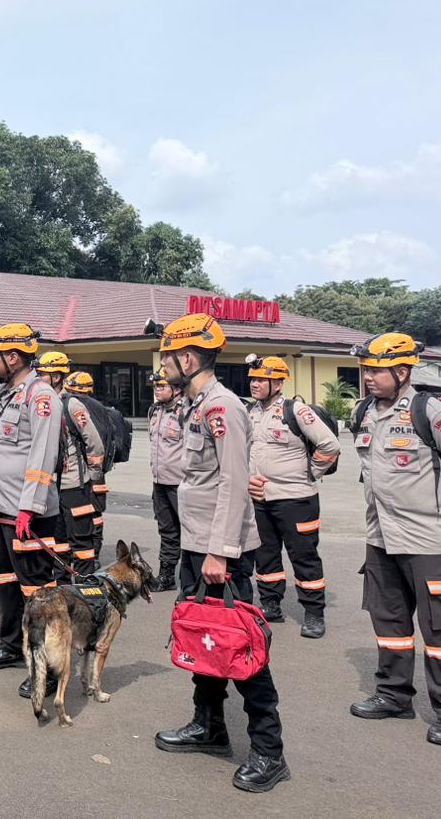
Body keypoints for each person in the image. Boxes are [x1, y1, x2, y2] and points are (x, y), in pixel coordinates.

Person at [150, 314, 289, 793]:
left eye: (168, 357)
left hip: (218, 550)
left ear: (188, 359)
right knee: (202, 638)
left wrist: (220, 552)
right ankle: (208, 726)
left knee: (239, 644)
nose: (163, 366)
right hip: (198, 544)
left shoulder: (221, 406)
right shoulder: (195, 404)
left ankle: (269, 751)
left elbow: (232, 482)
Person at [347, 333, 441, 747]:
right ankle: (393, 695)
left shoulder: (431, 411)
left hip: (429, 541)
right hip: (381, 537)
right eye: (365, 370)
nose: (368, 377)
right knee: (389, 623)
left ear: (402, 372)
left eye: (376, 371)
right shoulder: (363, 411)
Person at [0, 324, 61, 700]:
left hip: (26, 514)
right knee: (3, 581)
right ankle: (10, 645)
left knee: (37, 592)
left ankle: (48, 667)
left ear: (14, 357)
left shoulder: (41, 396)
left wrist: (29, 507)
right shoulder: (3, 393)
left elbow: (43, 454)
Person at [246, 355, 340, 639]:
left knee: (304, 557)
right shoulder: (250, 412)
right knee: (265, 555)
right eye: (253, 379)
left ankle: (314, 613)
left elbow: (329, 445)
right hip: (260, 498)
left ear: (278, 383)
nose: (254, 384)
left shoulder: (296, 410)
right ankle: (270, 604)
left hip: (297, 500)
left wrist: (311, 472)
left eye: (261, 379)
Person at [36, 352, 105, 576]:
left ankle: (85, 584)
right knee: (58, 541)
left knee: (81, 541)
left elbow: (94, 443)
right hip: (50, 486)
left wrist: (93, 478)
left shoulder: (72, 405)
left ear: (56, 377)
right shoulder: (40, 403)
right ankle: (63, 586)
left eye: (42, 374)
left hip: (74, 485)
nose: (37, 378)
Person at [147, 370, 185, 591]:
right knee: (167, 531)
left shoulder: (186, 411)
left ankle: (192, 580)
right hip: (159, 482)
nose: (157, 390)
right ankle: (166, 575)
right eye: (155, 386)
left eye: (161, 386)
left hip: (181, 484)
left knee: (189, 533)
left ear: (177, 389)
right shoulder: (155, 410)